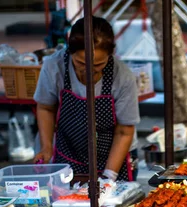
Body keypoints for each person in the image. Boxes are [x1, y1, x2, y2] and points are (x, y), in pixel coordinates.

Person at [33, 16, 140, 181]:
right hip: (68, 152)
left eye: (98, 64)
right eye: (81, 63)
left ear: (110, 55)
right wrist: (46, 147)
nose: (89, 70)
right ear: (70, 51)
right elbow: (45, 107)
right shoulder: (54, 66)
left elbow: (124, 131)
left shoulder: (123, 77)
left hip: (114, 156)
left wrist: (108, 178)